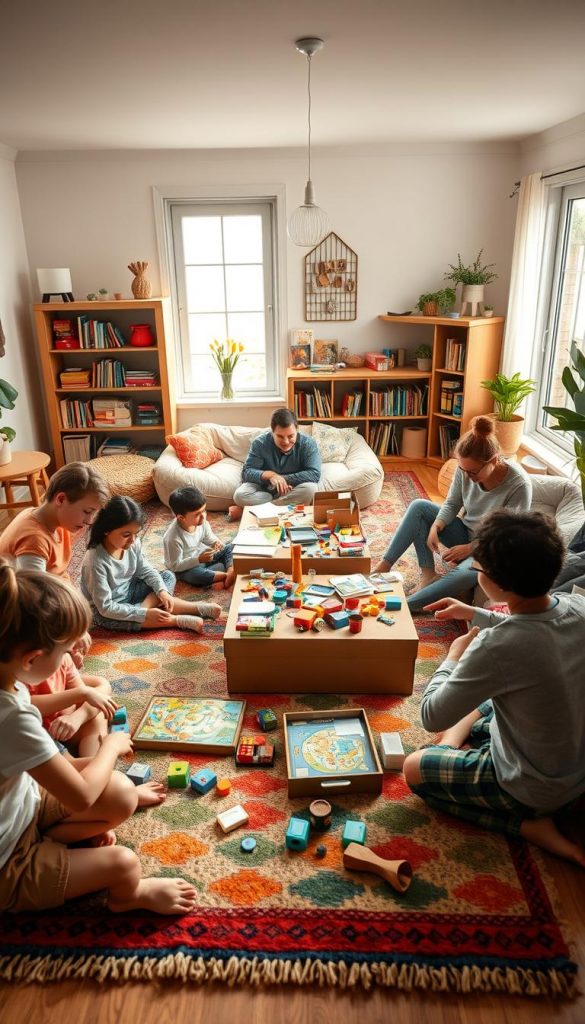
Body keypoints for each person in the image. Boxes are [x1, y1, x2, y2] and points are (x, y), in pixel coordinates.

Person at [0, 561, 196, 915]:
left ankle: (52, 839)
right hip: (9, 862)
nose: (71, 657)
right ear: (31, 659)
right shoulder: (11, 718)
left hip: (23, 803)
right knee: (124, 864)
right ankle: (128, 897)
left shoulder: (9, 680)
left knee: (122, 792)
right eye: (65, 652)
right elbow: (81, 796)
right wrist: (110, 746)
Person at [403, 509, 585, 867]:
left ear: (496, 584)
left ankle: (526, 825)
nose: (476, 572)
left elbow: (430, 714)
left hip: (530, 788)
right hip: (575, 776)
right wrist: (476, 614)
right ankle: (455, 741)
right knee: (500, 693)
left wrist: (452, 658)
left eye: (477, 568)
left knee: (414, 768)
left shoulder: (497, 647)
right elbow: (534, 627)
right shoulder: (578, 605)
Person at [373, 416, 532, 610]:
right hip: (464, 532)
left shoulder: (519, 486)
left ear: (494, 460)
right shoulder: (466, 469)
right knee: (419, 507)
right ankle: (395, 569)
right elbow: (453, 502)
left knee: (465, 574)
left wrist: (471, 548)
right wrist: (436, 525)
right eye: (463, 470)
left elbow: (509, 538)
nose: (467, 476)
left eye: (472, 472)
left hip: (491, 549)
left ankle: (405, 607)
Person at [0, 461, 109, 667]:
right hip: (15, 612)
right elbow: (31, 602)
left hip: (43, 597)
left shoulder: (56, 523)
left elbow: (59, 576)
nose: (90, 520)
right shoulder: (33, 539)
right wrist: (70, 634)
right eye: (87, 511)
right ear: (61, 499)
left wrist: (76, 615)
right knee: (62, 659)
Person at [81, 496, 221, 633]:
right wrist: (143, 614)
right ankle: (175, 620)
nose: (132, 540)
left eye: (136, 534)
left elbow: (146, 570)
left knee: (167, 577)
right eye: (126, 535)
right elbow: (105, 607)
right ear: (106, 530)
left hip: (131, 590)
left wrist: (161, 592)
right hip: (108, 608)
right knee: (108, 618)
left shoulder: (133, 543)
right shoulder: (95, 561)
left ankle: (185, 608)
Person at [230, 408, 321, 521]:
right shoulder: (260, 443)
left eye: (291, 436)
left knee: (311, 489)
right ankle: (281, 508)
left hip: (292, 488)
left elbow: (314, 473)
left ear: (297, 429)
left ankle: (249, 510)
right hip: (263, 489)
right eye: (280, 436)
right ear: (272, 432)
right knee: (240, 495)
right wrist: (270, 476)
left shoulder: (308, 444)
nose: (286, 442)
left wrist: (282, 479)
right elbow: (246, 472)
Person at [26, 653, 114, 758]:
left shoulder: (64, 658)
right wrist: (82, 693)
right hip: (34, 731)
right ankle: (99, 761)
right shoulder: (17, 674)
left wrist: (77, 717)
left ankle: (95, 759)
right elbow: (24, 705)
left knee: (97, 713)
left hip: (63, 726)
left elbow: (88, 699)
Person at [163, 486, 234, 590]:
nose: (203, 516)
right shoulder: (172, 538)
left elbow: (209, 538)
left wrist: (216, 543)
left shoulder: (202, 522)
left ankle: (229, 571)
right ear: (181, 517)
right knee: (195, 576)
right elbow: (175, 566)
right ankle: (225, 575)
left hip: (202, 557)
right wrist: (198, 559)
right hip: (186, 567)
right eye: (197, 514)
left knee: (232, 546)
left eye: (204, 510)